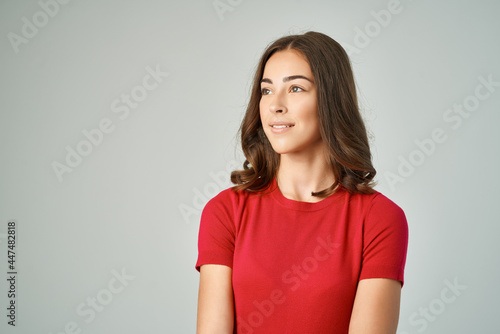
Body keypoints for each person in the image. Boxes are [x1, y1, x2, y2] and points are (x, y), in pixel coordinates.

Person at [195, 31, 409, 334]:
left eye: (295, 88)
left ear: (332, 101)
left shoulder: (379, 219)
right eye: (266, 91)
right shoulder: (225, 212)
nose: (275, 105)